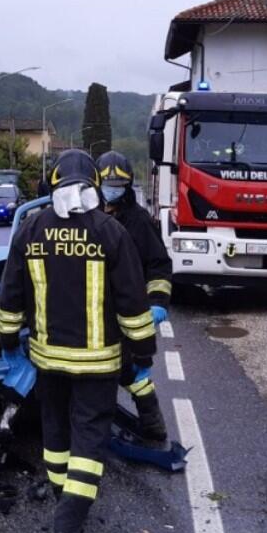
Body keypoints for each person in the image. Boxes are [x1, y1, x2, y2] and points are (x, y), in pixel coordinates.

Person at [0, 149, 156, 533]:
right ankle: (67, 526)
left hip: (47, 361)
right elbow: (132, 302)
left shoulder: (30, 229)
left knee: (55, 433)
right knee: (89, 438)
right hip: (98, 364)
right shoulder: (110, 231)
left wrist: (8, 340)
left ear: (52, 183)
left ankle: (61, 495)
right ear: (96, 184)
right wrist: (143, 350)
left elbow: (10, 294)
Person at [97, 151, 172, 441]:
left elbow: (159, 265)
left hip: (129, 310)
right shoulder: (88, 216)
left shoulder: (139, 221)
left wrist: (157, 303)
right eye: (109, 183)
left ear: (127, 186)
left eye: (119, 184)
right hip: (95, 309)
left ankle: (154, 428)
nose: (113, 189)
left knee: (133, 372)